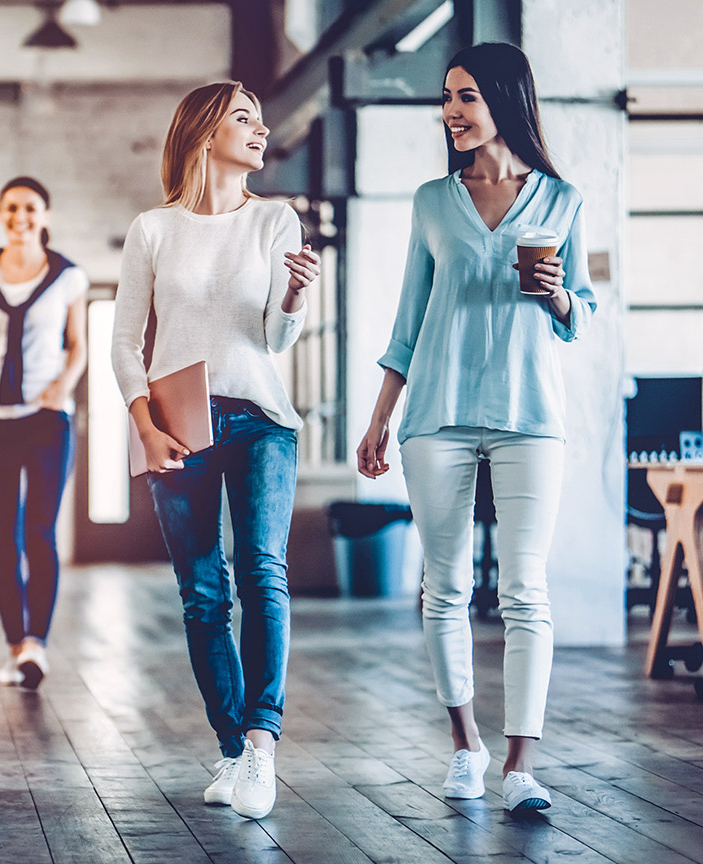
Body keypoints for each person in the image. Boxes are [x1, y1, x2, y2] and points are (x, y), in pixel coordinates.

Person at [355, 42, 597, 815]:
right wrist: (378, 419)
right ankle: (466, 747)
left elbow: (581, 316)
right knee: (445, 586)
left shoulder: (563, 199)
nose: (450, 111)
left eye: (464, 96)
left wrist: (559, 297)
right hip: (437, 416)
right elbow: (408, 320)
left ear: (503, 101)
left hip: (530, 418)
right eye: (447, 97)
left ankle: (521, 763)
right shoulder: (433, 201)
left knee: (525, 588)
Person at [111, 82, 320, 820]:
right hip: (178, 425)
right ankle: (231, 749)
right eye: (244, 117)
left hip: (261, 417)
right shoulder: (153, 230)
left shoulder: (275, 219)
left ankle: (262, 745)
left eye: (262, 120)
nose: (262, 130)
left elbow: (274, 338)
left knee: (263, 570)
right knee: (203, 593)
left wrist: (296, 296)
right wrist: (144, 425)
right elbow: (125, 341)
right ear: (204, 130)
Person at [0, 176, 88, 691]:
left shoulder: (68, 277)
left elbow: (79, 345)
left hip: (48, 421)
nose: (20, 216)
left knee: (41, 533)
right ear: (0, 213)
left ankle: (37, 645)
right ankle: (14, 646)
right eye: (10, 207)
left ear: (45, 215)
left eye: (30, 207)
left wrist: (62, 385)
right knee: (5, 539)